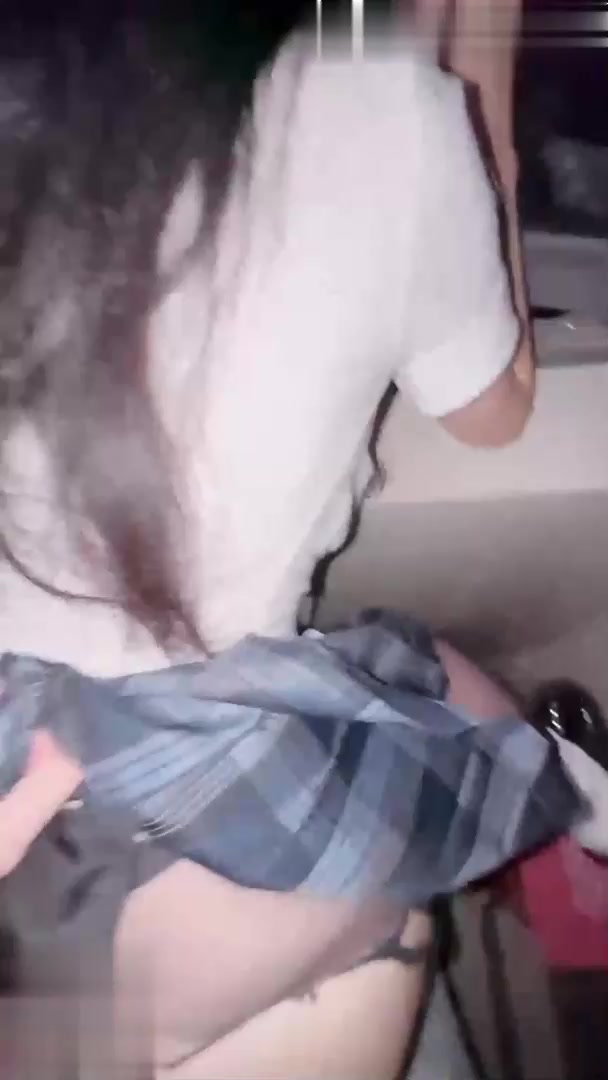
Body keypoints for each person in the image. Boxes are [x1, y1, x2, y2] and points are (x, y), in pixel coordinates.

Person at [0, 2, 568, 1077]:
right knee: (467, 754)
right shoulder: (368, 96)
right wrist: (474, 62)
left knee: (455, 719)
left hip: (62, 818)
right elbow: (493, 411)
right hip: (179, 852)